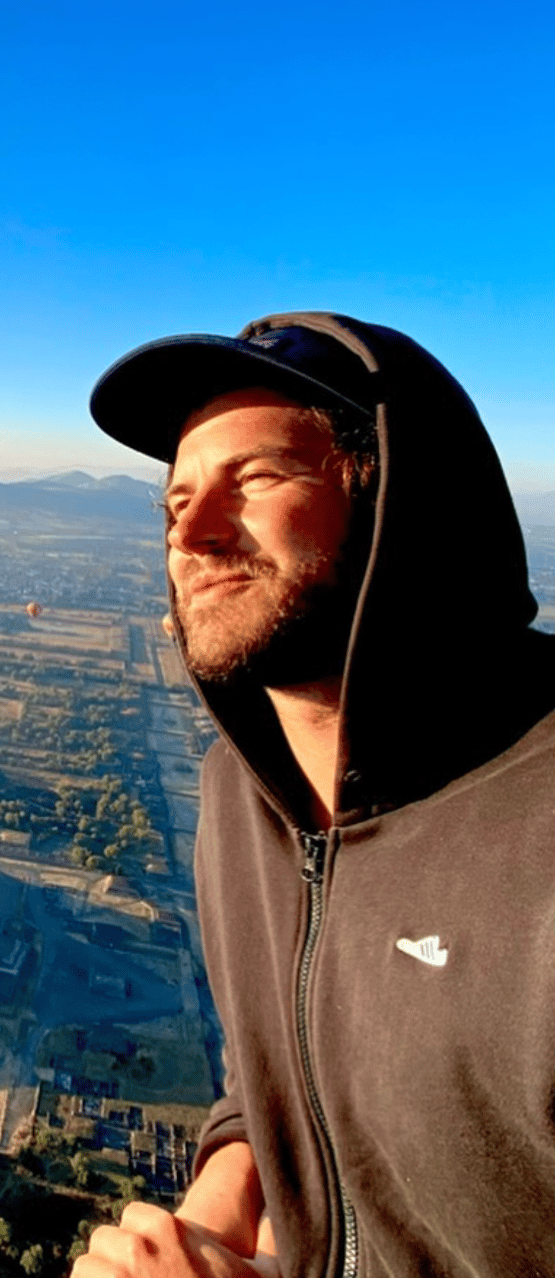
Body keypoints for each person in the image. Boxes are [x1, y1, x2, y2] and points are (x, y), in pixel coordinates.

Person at [75, 312, 555, 1278]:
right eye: (175, 506)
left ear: (394, 500)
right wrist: (206, 1216)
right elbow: (281, 1066)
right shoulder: (240, 798)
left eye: (255, 480)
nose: (196, 534)